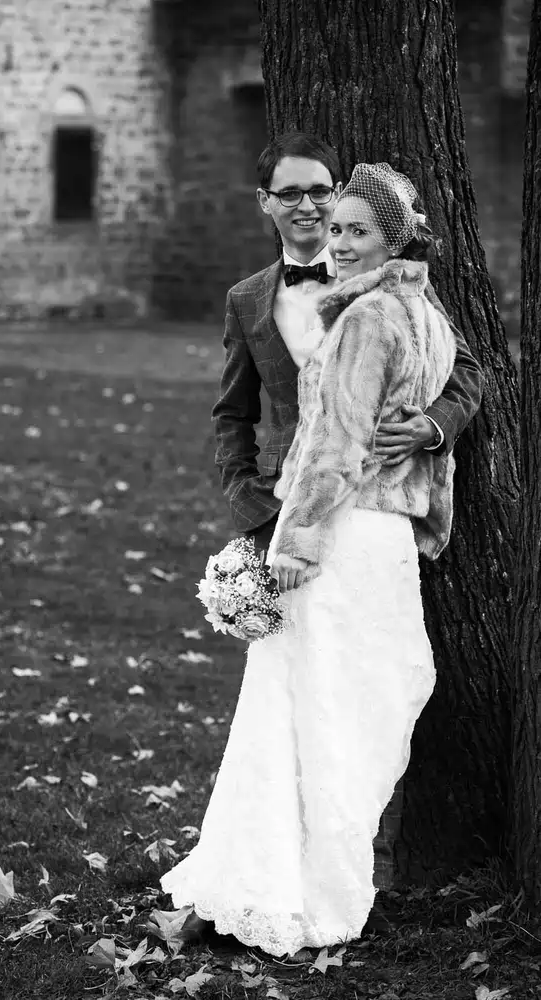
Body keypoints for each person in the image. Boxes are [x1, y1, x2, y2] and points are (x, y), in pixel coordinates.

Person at [160, 159, 481, 957]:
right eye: (332, 228)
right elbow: (242, 411)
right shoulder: (404, 303)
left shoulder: (369, 318)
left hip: (333, 532)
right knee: (356, 705)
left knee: (312, 712)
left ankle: (295, 891)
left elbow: (335, 445)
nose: (335, 241)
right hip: (380, 540)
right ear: (269, 206)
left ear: (394, 237)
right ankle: (315, 884)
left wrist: (295, 545)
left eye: (353, 229)